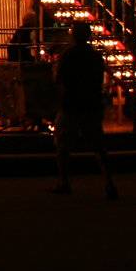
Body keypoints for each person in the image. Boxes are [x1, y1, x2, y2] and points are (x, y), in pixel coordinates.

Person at [53, 23, 118, 199]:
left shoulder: (68, 55)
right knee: (98, 145)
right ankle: (109, 182)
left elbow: (59, 79)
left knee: (63, 144)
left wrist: (59, 100)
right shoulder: (96, 56)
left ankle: (64, 181)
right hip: (92, 102)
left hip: (71, 103)